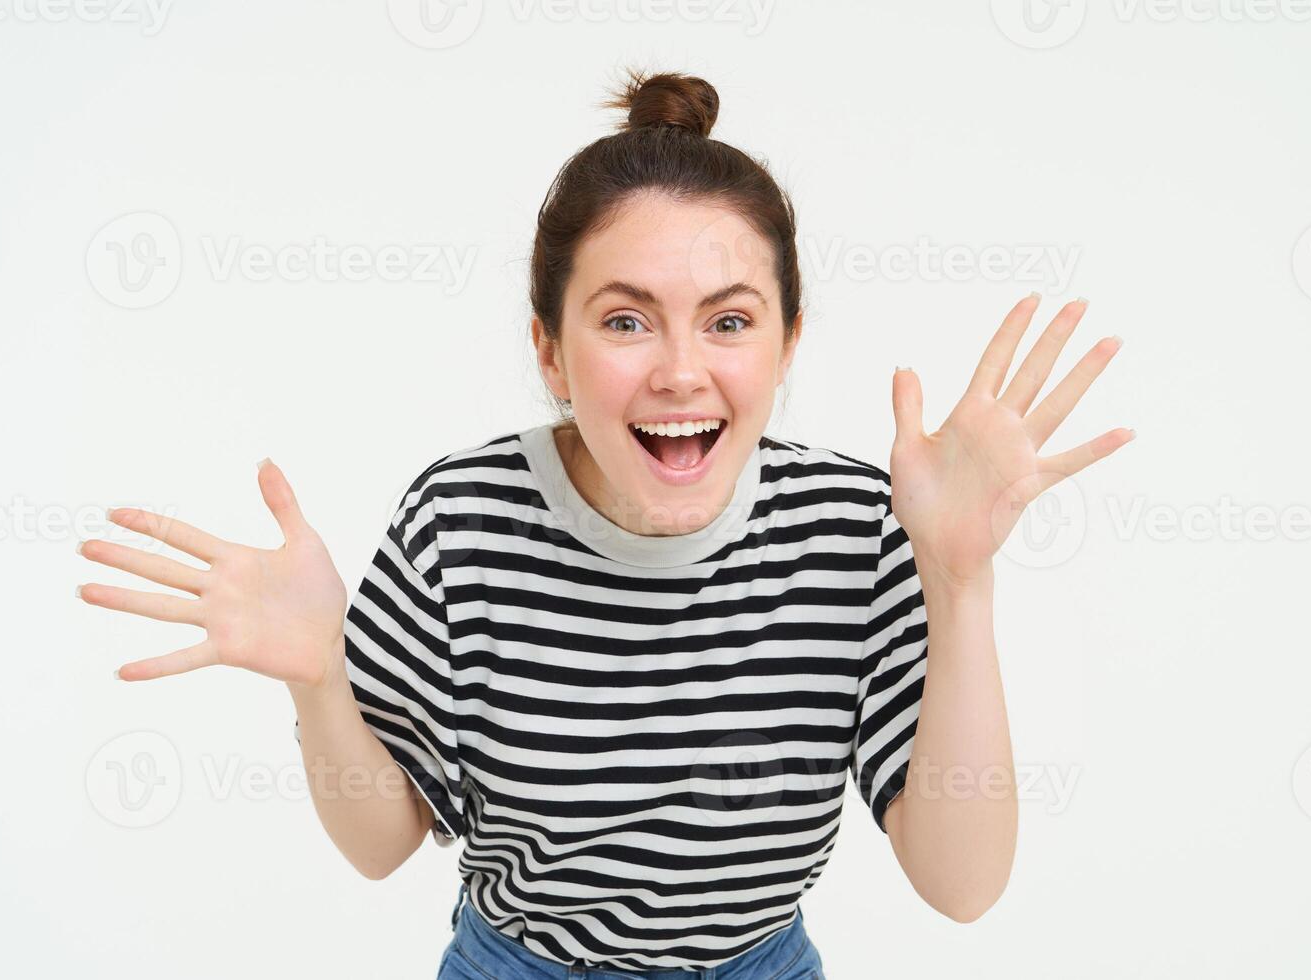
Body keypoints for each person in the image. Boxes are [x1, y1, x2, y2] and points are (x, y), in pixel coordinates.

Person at [76, 70, 1131, 978]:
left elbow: (961, 884)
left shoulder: (857, 527)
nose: (679, 369)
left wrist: (958, 581)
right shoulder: (461, 522)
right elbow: (380, 842)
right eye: (625, 320)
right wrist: (319, 679)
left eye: (728, 320)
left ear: (787, 339)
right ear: (549, 350)